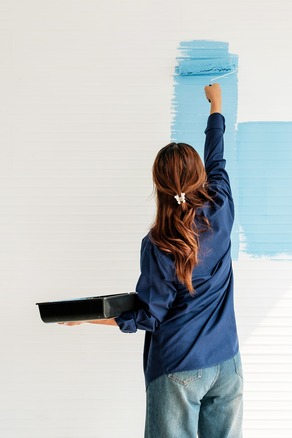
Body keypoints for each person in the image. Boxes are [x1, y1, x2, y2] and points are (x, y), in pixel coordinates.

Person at [60, 83, 243, 438]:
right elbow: (217, 158)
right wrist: (216, 103)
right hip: (227, 363)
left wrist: (86, 318)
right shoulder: (221, 206)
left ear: (159, 186)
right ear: (200, 177)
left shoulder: (159, 244)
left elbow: (148, 317)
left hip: (178, 368)